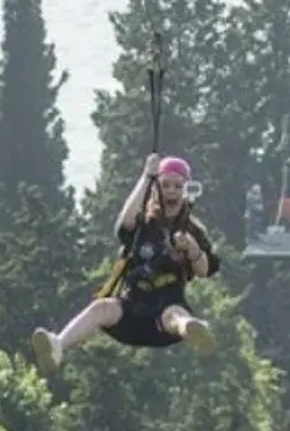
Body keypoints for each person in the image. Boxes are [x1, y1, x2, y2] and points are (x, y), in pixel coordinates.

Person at [31, 152, 220, 374]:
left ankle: (193, 331)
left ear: (186, 191)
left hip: (164, 316)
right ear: (156, 190)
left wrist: (192, 248)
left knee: (175, 314)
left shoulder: (192, 230)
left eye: (177, 186)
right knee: (102, 307)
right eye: (165, 185)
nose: (171, 191)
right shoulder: (143, 225)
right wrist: (147, 176)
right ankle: (58, 345)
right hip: (132, 309)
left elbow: (204, 269)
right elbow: (125, 222)